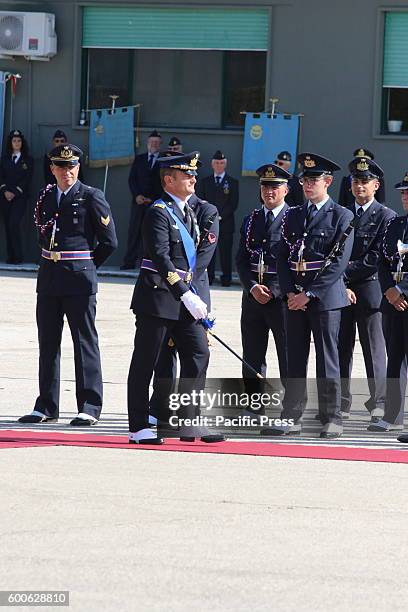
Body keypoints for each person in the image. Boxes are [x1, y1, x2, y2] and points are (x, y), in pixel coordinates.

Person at [127, 151, 225, 444]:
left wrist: (192, 296)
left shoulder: (191, 212)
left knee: (198, 354)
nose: (193, 178)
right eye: (186, 175)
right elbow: (161, 257)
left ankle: (189, 420)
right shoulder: (158, 212)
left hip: (185, 299)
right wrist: (184, 293)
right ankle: (139, 426)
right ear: (169, 180)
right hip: (159, 297)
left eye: (194, 174)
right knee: (146, 361)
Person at [18, 144, 118, 426]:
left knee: (84, 342)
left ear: (78, 167)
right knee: (48, 342)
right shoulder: (47, 197)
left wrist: (86, 264)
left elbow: (110, 241)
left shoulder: (90, 197)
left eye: (72, 166)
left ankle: (89, 405)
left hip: (79, 279)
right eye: (61, 167)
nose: (67, 172)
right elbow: (42, 233)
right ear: (52, 169)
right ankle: (46, 405)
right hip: (49, 277)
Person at [266, 153, 354, 439]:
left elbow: (338, 263)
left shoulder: (342, 215)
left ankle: (332, 417)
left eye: (313, 179)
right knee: (294, 358)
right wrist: (290, 291)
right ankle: (291, 415)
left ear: (327, 181)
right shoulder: (293, 214)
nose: (307, 184)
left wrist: (310, 294)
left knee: (328, 359)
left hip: (325, 298)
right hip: (294, 297)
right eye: (304, 179)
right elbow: (281, 256)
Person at [149, 190, 219, 424]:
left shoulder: (206, 210)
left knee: (197, 353)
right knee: (163, 355)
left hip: (194, 293)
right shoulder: (162, 209)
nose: (191, 179)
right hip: (165, 292)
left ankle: (189, 414)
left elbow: (202, 260)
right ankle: (160, 408)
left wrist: (188, 292)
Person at [338, 156, 396, 422]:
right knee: (341, 347)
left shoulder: (386, 216)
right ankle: (341, 401)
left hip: (370, 290)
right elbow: (334, 252)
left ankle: (379, 402)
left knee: (374, 349)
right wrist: (339, 280)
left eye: (365, 181)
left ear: (376, 185)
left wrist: (344, 271)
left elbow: (377, 257)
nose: (359, 186)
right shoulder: (342, 213)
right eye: (355, 181)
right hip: (340, 290)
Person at [235, 163, 289, 401]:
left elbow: (294, 262)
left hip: (281, 300)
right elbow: (241, 259)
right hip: (253, 298)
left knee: (288, 354)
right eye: (266, 186)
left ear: (286, 189)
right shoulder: (251, 219)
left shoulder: (295, 218)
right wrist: (253, 287)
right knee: (252, 354)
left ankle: (291, 404)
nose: (269, 191)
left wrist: (274, 290)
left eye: (275, 186)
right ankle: (254, 403)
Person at [368, 172, 408, 433]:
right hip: (392, 302)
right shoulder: (396, 223)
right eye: (403, 192)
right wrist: (388, 290)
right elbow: (382, 261)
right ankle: (393, 415)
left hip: (404, 297)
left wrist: (403, 289)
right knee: (394, 359)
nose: (405, 196)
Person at [120, 130, 163, 270]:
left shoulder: (163, 160)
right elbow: (132, 179)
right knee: (134, 232)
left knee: (153, 234)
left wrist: (154, 198)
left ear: (160, 144)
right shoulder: (139, 159)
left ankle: (149, 264)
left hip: (154, 203)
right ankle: (129, 262)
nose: (154, 144)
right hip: (138, 202)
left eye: (157, 142)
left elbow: (164, 183)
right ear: (148, 143)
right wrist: (137, 195)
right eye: (152, 142)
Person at [196, 150, 239, 286]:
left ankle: (226, 279)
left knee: (225, 252)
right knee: (208, 252)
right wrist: (210, 217)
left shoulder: (232, 182)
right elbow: (201, 201)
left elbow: (233, 204)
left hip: (225, 223)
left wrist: (219, 216)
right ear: (212, 165)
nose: (219, 165)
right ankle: (209, 277)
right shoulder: (205, 182)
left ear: (225, 164)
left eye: (221, 163)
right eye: (216, 163)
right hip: (208, 224)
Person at [0, 129, 34, 264]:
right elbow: (1, 177)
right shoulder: (4, 159)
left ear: (22, 142)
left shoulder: (28, 160)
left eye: (19, 140)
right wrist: (4, 191)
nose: (16, 143)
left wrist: (15, 192)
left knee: (14, 223)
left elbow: (27, 179)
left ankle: (18, 256)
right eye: (14, 141)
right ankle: (11, 256)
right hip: (5, 197)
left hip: (20, 197)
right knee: (8, 226)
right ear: (10, 143)